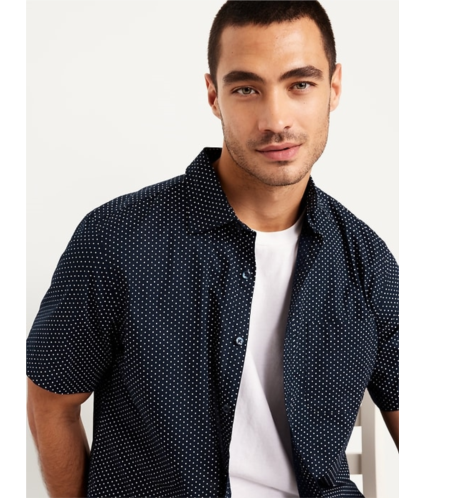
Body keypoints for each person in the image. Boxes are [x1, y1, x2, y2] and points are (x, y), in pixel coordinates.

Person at [26, 0, 399, 497]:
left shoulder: (366, 261)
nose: (275, 119)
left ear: (333, 88)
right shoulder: (116, 238)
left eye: (300, 84)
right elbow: (51, 402)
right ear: (213, 96)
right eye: (246, 89)